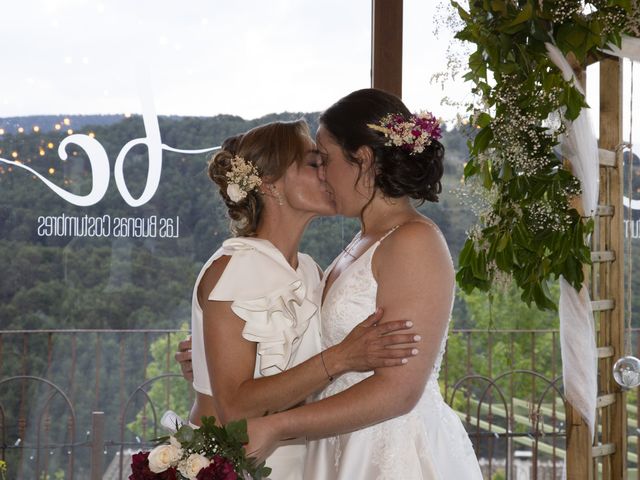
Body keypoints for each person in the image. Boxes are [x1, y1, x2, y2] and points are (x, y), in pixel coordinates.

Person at [243, 89, 483, 479]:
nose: (321, 174)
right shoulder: (362, 241)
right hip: (338, 442)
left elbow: (399, 392)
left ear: (364, 159)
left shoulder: (413, 242)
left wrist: (278, 425)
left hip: (389, 450)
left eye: (325, 160)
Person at [187, 119, 420, 480]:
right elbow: (234, 407)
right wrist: (342, 357)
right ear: (269, 182)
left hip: (305, 463)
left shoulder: (310, 271)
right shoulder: (235, 268)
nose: (327, 174)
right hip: (242, 465)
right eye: (313, 164)